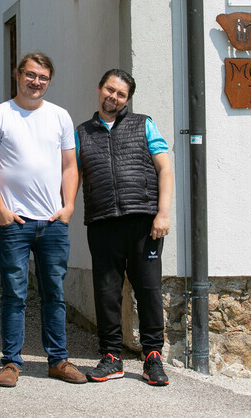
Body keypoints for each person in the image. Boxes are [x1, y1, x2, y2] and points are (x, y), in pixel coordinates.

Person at [0, 52, 85, 387]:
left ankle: (58, 360)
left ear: (48, 81)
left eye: (42, 77)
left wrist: (68, 208)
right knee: (14, 293)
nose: (35, 82)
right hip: (15, 223)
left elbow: (70, 165)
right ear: (18, 74)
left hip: (52, 222)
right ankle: (11, 363)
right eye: (30, 75)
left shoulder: (60, 117)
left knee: (53, 292)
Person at [75, 69, 173, 386]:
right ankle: (111, 356)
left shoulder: (143, 124)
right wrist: (65, 209)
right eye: (109, 89)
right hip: (103, 222)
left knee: (148, 291)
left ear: (127, 99)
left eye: (120, 94)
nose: (113, 97)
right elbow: (71, 176)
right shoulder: (82, 132)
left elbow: (165, 168)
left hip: (144, 221)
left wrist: (163, 214)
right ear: (99, 88)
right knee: (106, 293)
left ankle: (152, 357)